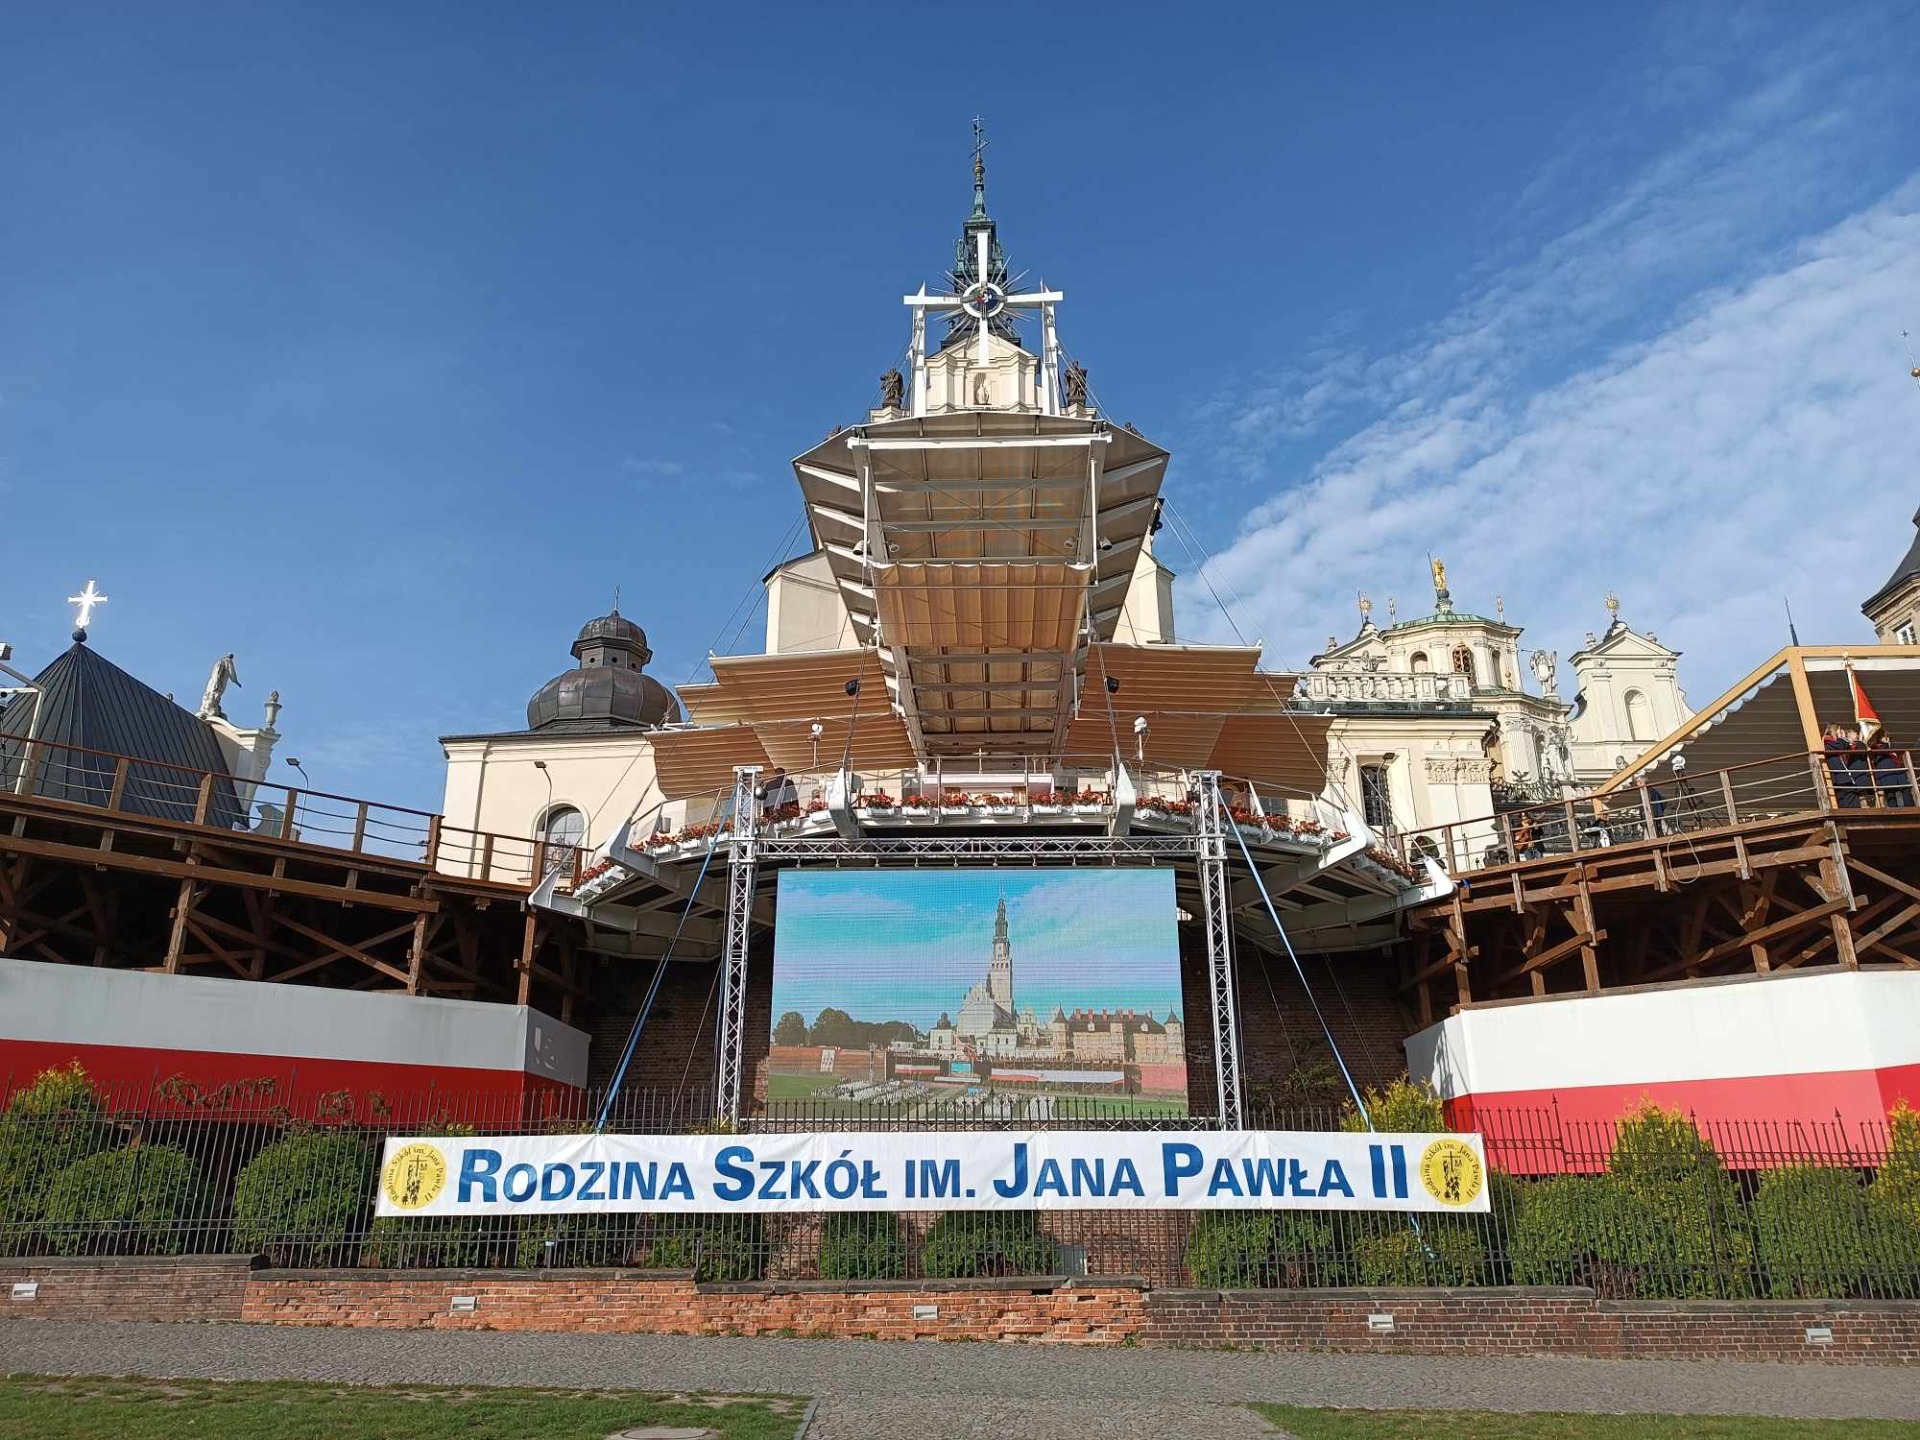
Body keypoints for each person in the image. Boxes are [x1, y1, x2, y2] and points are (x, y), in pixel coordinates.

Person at [1824, 724, 1866, 808]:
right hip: (1839, 775)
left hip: (1841, 776)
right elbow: (1841, 746)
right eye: (1839, 731)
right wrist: (1841, 737)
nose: (1842, 733)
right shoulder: (1828, 741)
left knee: (1849, 797)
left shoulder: (1833, 742)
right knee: (1849, 796)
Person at [1870, 732, 1913, 808]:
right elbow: (1883, 750)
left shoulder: (1892, 744)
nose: (1886, 738)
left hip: (1898, 771)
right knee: (1890, 793)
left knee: (1906, 788)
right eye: (1884, 736)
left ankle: (1910, 807)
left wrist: (1889, 744)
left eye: (1887, 736)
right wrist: (1887, 744)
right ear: (1879, 738)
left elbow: (1901, 748)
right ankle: (1893, 810)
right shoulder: (1874, 747)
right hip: (1886, 773)